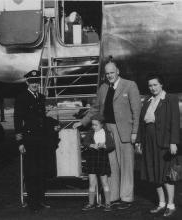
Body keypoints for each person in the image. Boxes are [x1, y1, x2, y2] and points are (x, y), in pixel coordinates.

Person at [73, 56, 141, 209]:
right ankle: (114, 196)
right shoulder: (103, 88)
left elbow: (136, 112)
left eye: (112, 72)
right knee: (111, 165)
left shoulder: (130, 86)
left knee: (126, 165)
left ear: (118, 71)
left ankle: (126, 198)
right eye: (107, 73)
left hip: (124, 131)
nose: (109, 75)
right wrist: (83, 121)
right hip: (107, 130)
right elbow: (95, 109)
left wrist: (135, 132)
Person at [135, 73, 180, 217]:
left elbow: (175, 122)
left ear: (161, 85)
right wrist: (139, 141)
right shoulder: (147, 101)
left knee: (166, 174)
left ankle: (171, 204)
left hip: (164, 143)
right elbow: (142, 124)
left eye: (155, 85)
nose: (152, 88)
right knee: (153, 173)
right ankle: (161, 203)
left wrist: (174, 142)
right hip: (149, 142)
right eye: (150, 85)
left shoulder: (170, 99)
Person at [14, 70, 49, 213]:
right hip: (28, 140)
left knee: (41, 171)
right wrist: (20, 142)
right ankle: (32, 203)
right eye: (32, 81)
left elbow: (43, 118)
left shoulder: (41, 97)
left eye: (37, 82)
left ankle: (40, 200)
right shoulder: (22, 98)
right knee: (31, 172)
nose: (35, 84)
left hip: (41, 139)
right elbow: (17, 120)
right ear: (27, 82)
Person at [81, 114, 115, 212]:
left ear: (102, 124)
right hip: (92, 159)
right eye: (92, 125)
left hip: (102, 158)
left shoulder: (106, 133)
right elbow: (85, 142)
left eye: (96, 125)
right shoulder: (90, 132)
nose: (93, 127)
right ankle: (91, 203)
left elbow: (112, 145)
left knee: (104, 182)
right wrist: (92, 145)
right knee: (92, 183)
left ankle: (108, 203)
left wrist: (104, 146)